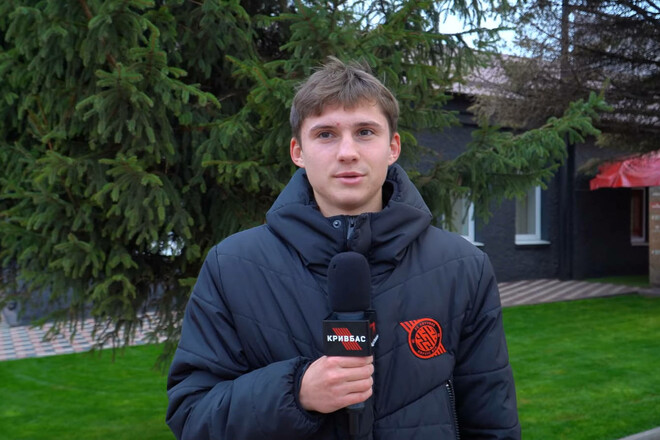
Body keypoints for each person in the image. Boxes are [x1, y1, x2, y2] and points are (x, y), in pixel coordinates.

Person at [166, 57, 520, 439]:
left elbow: (492, 423)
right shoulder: (232, 266)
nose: (347, 152)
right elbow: (192, 415)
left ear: (393, 147)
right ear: (298, 151)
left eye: (365, 132)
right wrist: (296, 392)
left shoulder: (463, 266)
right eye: (325, 134)